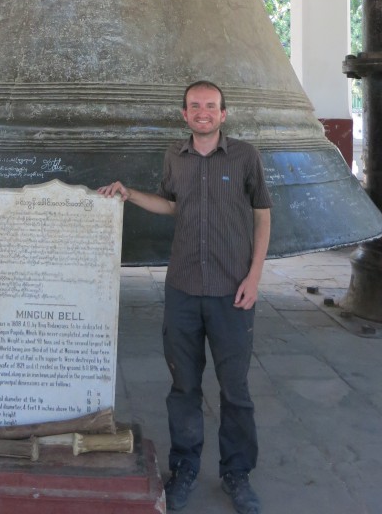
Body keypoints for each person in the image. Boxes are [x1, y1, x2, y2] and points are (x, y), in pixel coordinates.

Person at [98, 80, 271, 514]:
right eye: (195, 106)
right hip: (183, 290)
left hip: (233, 291)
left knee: (235, 390)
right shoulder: (175, 157)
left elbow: (262, 215)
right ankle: (185, 467)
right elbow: (174, 206)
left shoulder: (246, 156)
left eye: (210, 106)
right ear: (184, 114)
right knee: (184, 387)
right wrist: (130, 194)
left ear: (223, 114)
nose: (203, 112)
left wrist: (254, 276)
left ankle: (237, 473)